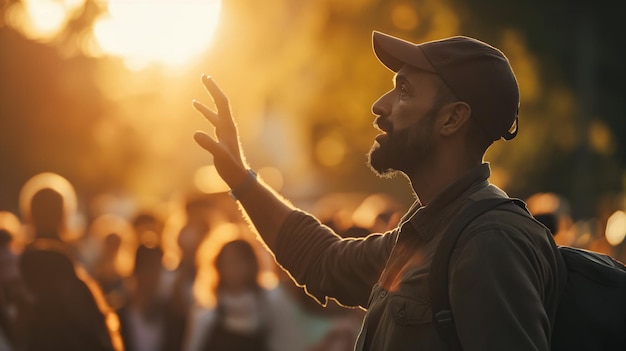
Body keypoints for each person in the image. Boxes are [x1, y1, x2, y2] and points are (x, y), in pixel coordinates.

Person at [192, 31, 566, 350]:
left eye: (404, 91)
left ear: (452, 118)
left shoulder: (489, 242)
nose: (379, 106)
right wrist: (241, 178)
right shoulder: (429, 230)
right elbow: (325, 261)